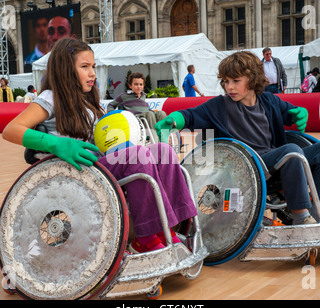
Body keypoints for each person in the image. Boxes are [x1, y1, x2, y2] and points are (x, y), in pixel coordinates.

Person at [2, 38, 197, 254]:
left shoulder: (90, 103)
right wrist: (57, 144)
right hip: (73, 172)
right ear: (65, 70)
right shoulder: (51, 97)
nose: (92, 73)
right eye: (85, 67)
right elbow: (12, 129)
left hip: (96, 167)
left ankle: (171, 226)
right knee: (137, 156)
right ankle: (145, 238)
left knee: (163, 152)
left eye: (93, 66)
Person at [155, 51, 320, 225]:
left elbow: (290, 111)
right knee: (291, 152)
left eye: (235, 81)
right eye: (226, 81)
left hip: (276, 163)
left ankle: (316, 212)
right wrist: (173, 120)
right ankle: (301, 217)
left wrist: (299, 113)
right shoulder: (219, 106)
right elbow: (190, 115)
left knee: (315, 150)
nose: (229, 87)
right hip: (247, 167)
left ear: (252, 78)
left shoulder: (269, 101)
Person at [107, 72, 167, 141]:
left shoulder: (143, 95)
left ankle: (164, 139)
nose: (138, 86)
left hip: (147, 114)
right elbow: (111, 105)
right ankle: (155, 141)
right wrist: (113, 115)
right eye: (136, 84)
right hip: (136, 119)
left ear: (143, 86)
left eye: (141, 84)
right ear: (130, 85)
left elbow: (145, 108)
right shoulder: (124, 96)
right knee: (149, 114)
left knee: (161, 113)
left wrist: (154, 112)